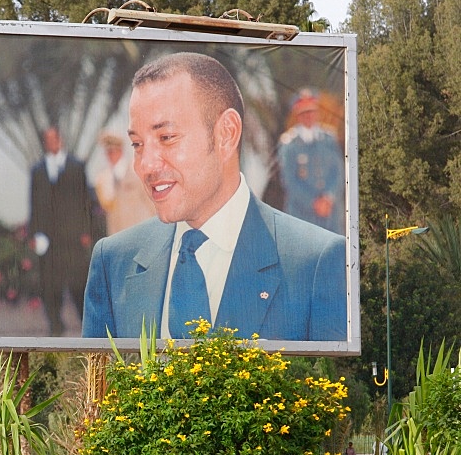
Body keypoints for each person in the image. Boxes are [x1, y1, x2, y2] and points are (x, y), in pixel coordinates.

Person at [82, 52, 347, 341]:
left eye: (166, 137)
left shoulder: (316, 261)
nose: (145, 165)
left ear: (226, 134)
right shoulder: (114, 262)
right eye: (137, 144)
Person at [29, 125, 104, 335]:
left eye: (55, 138)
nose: (52, 142)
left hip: (73, 237)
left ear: (60, 140)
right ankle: (55, 325)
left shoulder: (76, 167)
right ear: (45, 142)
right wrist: (33, 233)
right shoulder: (38, 170)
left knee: (78, 282)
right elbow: (33, 203)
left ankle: (86, 325)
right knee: (50, 285)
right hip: (48, 238)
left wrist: (86, 231)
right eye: (48, 139)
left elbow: (85, 201)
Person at [277, 89, 345, 235]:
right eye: (304, 113)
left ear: (317, 113)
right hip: (302, 216)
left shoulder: (329, 139)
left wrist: (328, 197)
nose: (309, 116)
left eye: (311, 111)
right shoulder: (289, 144)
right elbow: (289, 181)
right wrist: (314, 203)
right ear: (298, 115)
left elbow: (338, 172)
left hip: (330, 216)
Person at [93, 129, 154, 234]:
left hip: (142, 232)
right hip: (118, 235)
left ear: (120, 150)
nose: (111, 155)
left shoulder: (137, 171)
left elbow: (151, 203)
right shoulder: (103, 179)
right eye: (108, 152)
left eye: (113, 151)